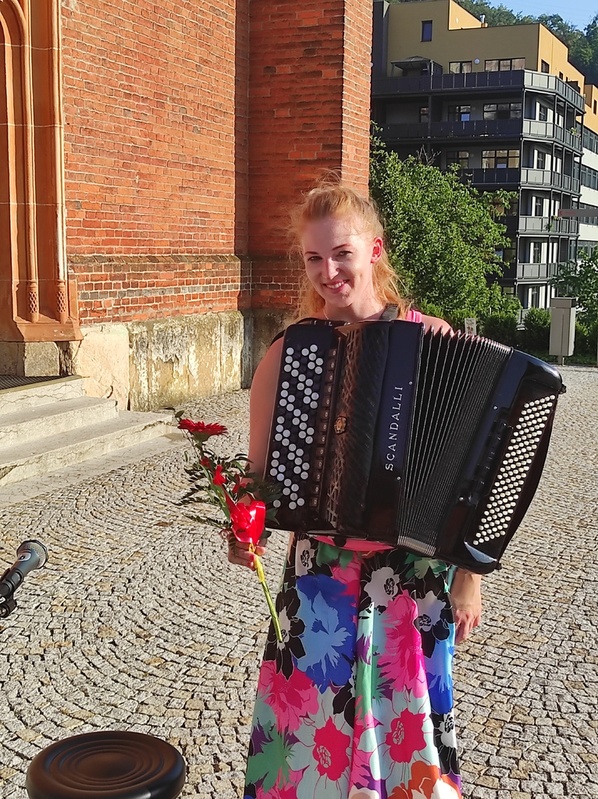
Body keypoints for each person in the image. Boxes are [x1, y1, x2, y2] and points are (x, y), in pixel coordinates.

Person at [228, 183, 482, 799]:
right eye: (314, 258)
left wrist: (470, 577)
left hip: (415, 576)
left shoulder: (432, 339)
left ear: (374, 249)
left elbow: (468, 479)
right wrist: (245, 526)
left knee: (409, 742)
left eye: (341, 253)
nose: (328, 272)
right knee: (310, 739)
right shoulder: (289, 353)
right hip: (321, 573)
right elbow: (258, 475)